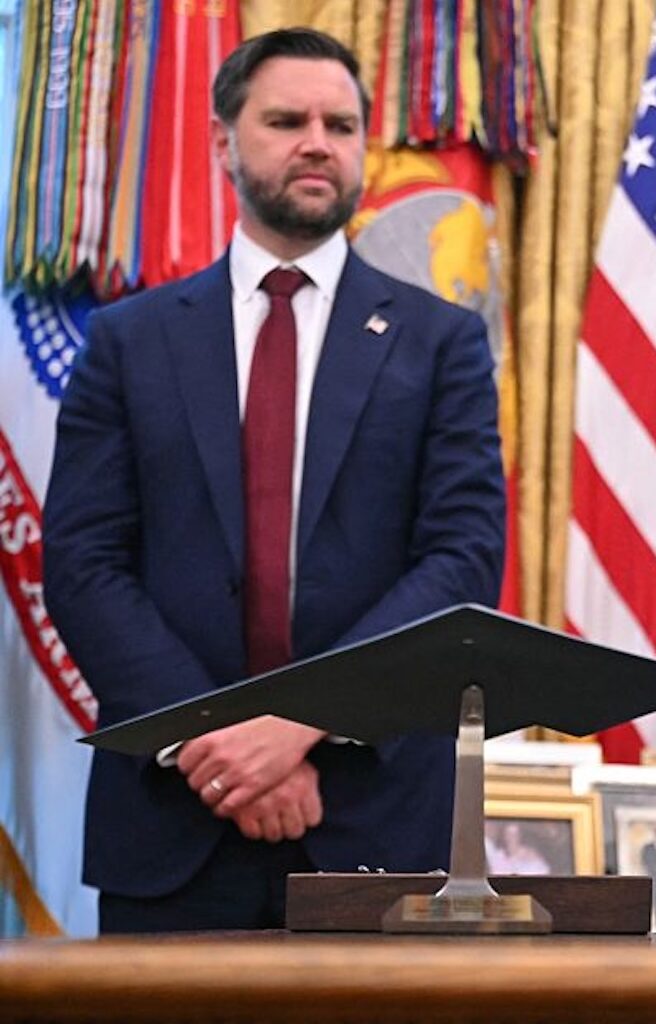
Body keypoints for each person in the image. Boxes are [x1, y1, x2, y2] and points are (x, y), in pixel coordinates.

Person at [42, 27, 505, 932]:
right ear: (223, 141)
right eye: (286, 119)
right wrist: (221, 745)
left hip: (376, 825)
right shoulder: (129, 341)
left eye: (341, 123)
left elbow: (462, 562)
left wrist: (298, 724)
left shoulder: (441, 343)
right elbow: (84, 564)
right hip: (171, 825)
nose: (317, 142)